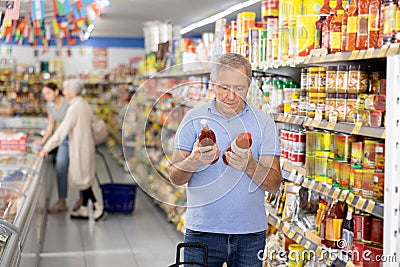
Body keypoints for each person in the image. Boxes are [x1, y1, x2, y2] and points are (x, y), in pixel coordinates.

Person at [168, 53, 282, 266]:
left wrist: (250, 166)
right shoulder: (193, 119)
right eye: (223, 88)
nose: (231, 96)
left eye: (239, 88)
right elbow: (174, 176)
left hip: (250, 234)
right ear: (212, 85)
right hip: (202, 232)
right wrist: (193, 161)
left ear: (249, 85)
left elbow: (275, 184)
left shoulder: (264, 123)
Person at [38, 79, 104, 221]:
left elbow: (62, 131)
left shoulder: (74, 108)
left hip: (79, 146)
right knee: (84, 177)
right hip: (85, 145)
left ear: (73, 92)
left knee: (82, 178)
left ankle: (98, 206)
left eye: (65, 89)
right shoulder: (83, 105)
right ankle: (84, 208)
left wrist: (46, 148)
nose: (64, 92)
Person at [34, 82, 70, 213]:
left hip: (74, 137)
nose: (46, 97)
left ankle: (83, 201)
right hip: (62, 139)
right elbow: (51, 125)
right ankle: (62, 201)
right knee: (61, 167)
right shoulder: (50, 105)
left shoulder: (68, 103)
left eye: (48, 93)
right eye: (44, 94)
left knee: (79, 169)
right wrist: (43, 141)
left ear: (56, 91)